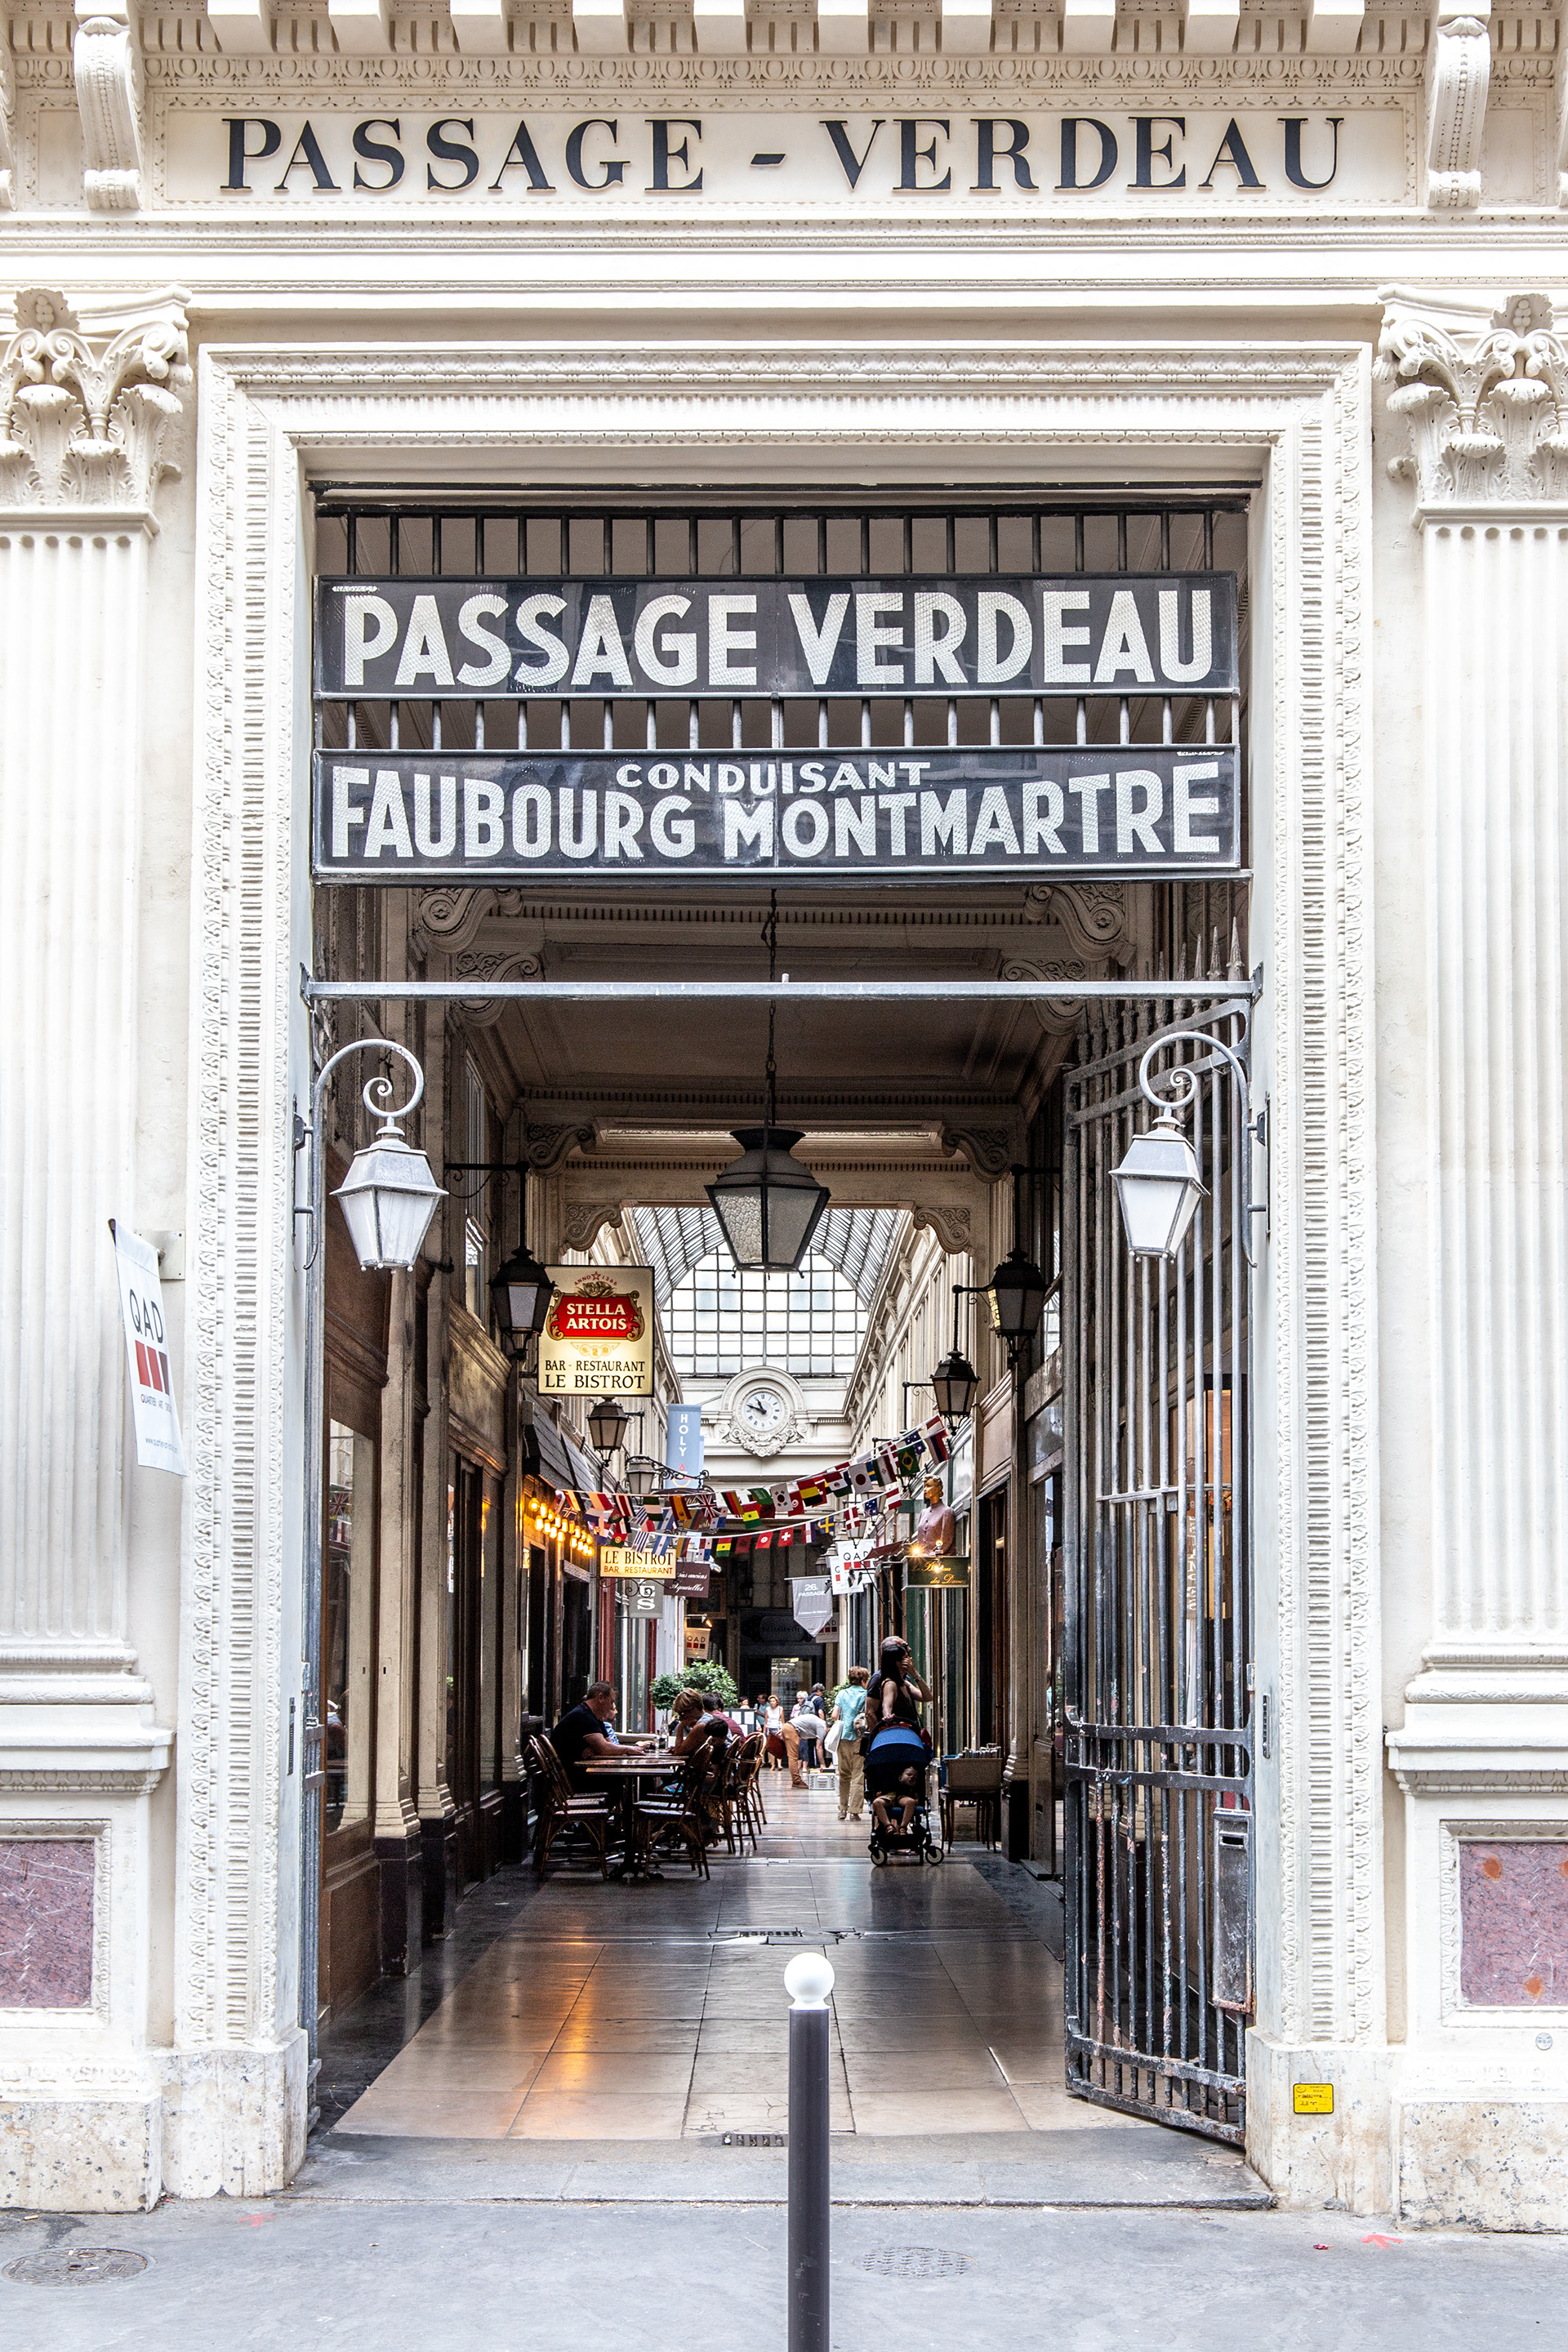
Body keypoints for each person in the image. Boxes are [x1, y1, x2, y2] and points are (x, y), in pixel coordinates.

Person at [863, 1637, 933, 1836]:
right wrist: (886, 1720)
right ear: (896, 1660)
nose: (909, 1655)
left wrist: (915, 1674)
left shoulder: (905, 1682)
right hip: (892, 1740)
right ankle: (890, 1828)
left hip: (908, 1740)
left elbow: (927, 1697)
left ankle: (902, 1827)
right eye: (905, 1653)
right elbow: (884, 1705)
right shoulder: (887, 1682)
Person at [550, 1680, 619, 1789]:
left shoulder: (596, 1717)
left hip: (580, 1772)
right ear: (601, 1698)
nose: (611, 1706)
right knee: (616, 1781)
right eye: (611, 1701)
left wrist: (597, 1749)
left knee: (617, 1779)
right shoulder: (584, 1716)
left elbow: (609, 1746)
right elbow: (605, 1749)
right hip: (572, 1779)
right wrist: (631, 1750)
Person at [831, 1665, 870, 1821]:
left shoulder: (842, 1693)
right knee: (858, 1775)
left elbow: (834, 1715)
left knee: (844, 1775)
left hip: (844, 1737)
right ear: (863, 1680)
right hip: (860, 1738)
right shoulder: (866, 1695)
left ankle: (842, 1809)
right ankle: (854, 1811)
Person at [911, 1475, 956, 1563]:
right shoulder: (923, 1513)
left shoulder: (946, 1512)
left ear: (938, 1489)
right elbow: (919, 1540)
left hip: (937, 1562)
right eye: (924, 1487)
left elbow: (946, 1541)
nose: (925, 1489)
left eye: (928, 1486)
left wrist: (932, 1554)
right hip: (921, 1561)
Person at [791, 1691, 826, 1774]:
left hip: (800, 1729)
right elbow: (819, 1747)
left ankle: (806, 1767)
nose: (799, 1700)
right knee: (797, 1750)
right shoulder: (821, 1724)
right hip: (800, 1729)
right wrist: (823, 1764)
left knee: (803, 1748)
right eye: (798, 1698)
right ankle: (796, 1774)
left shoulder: (806, 1705)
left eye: (801, 1698)